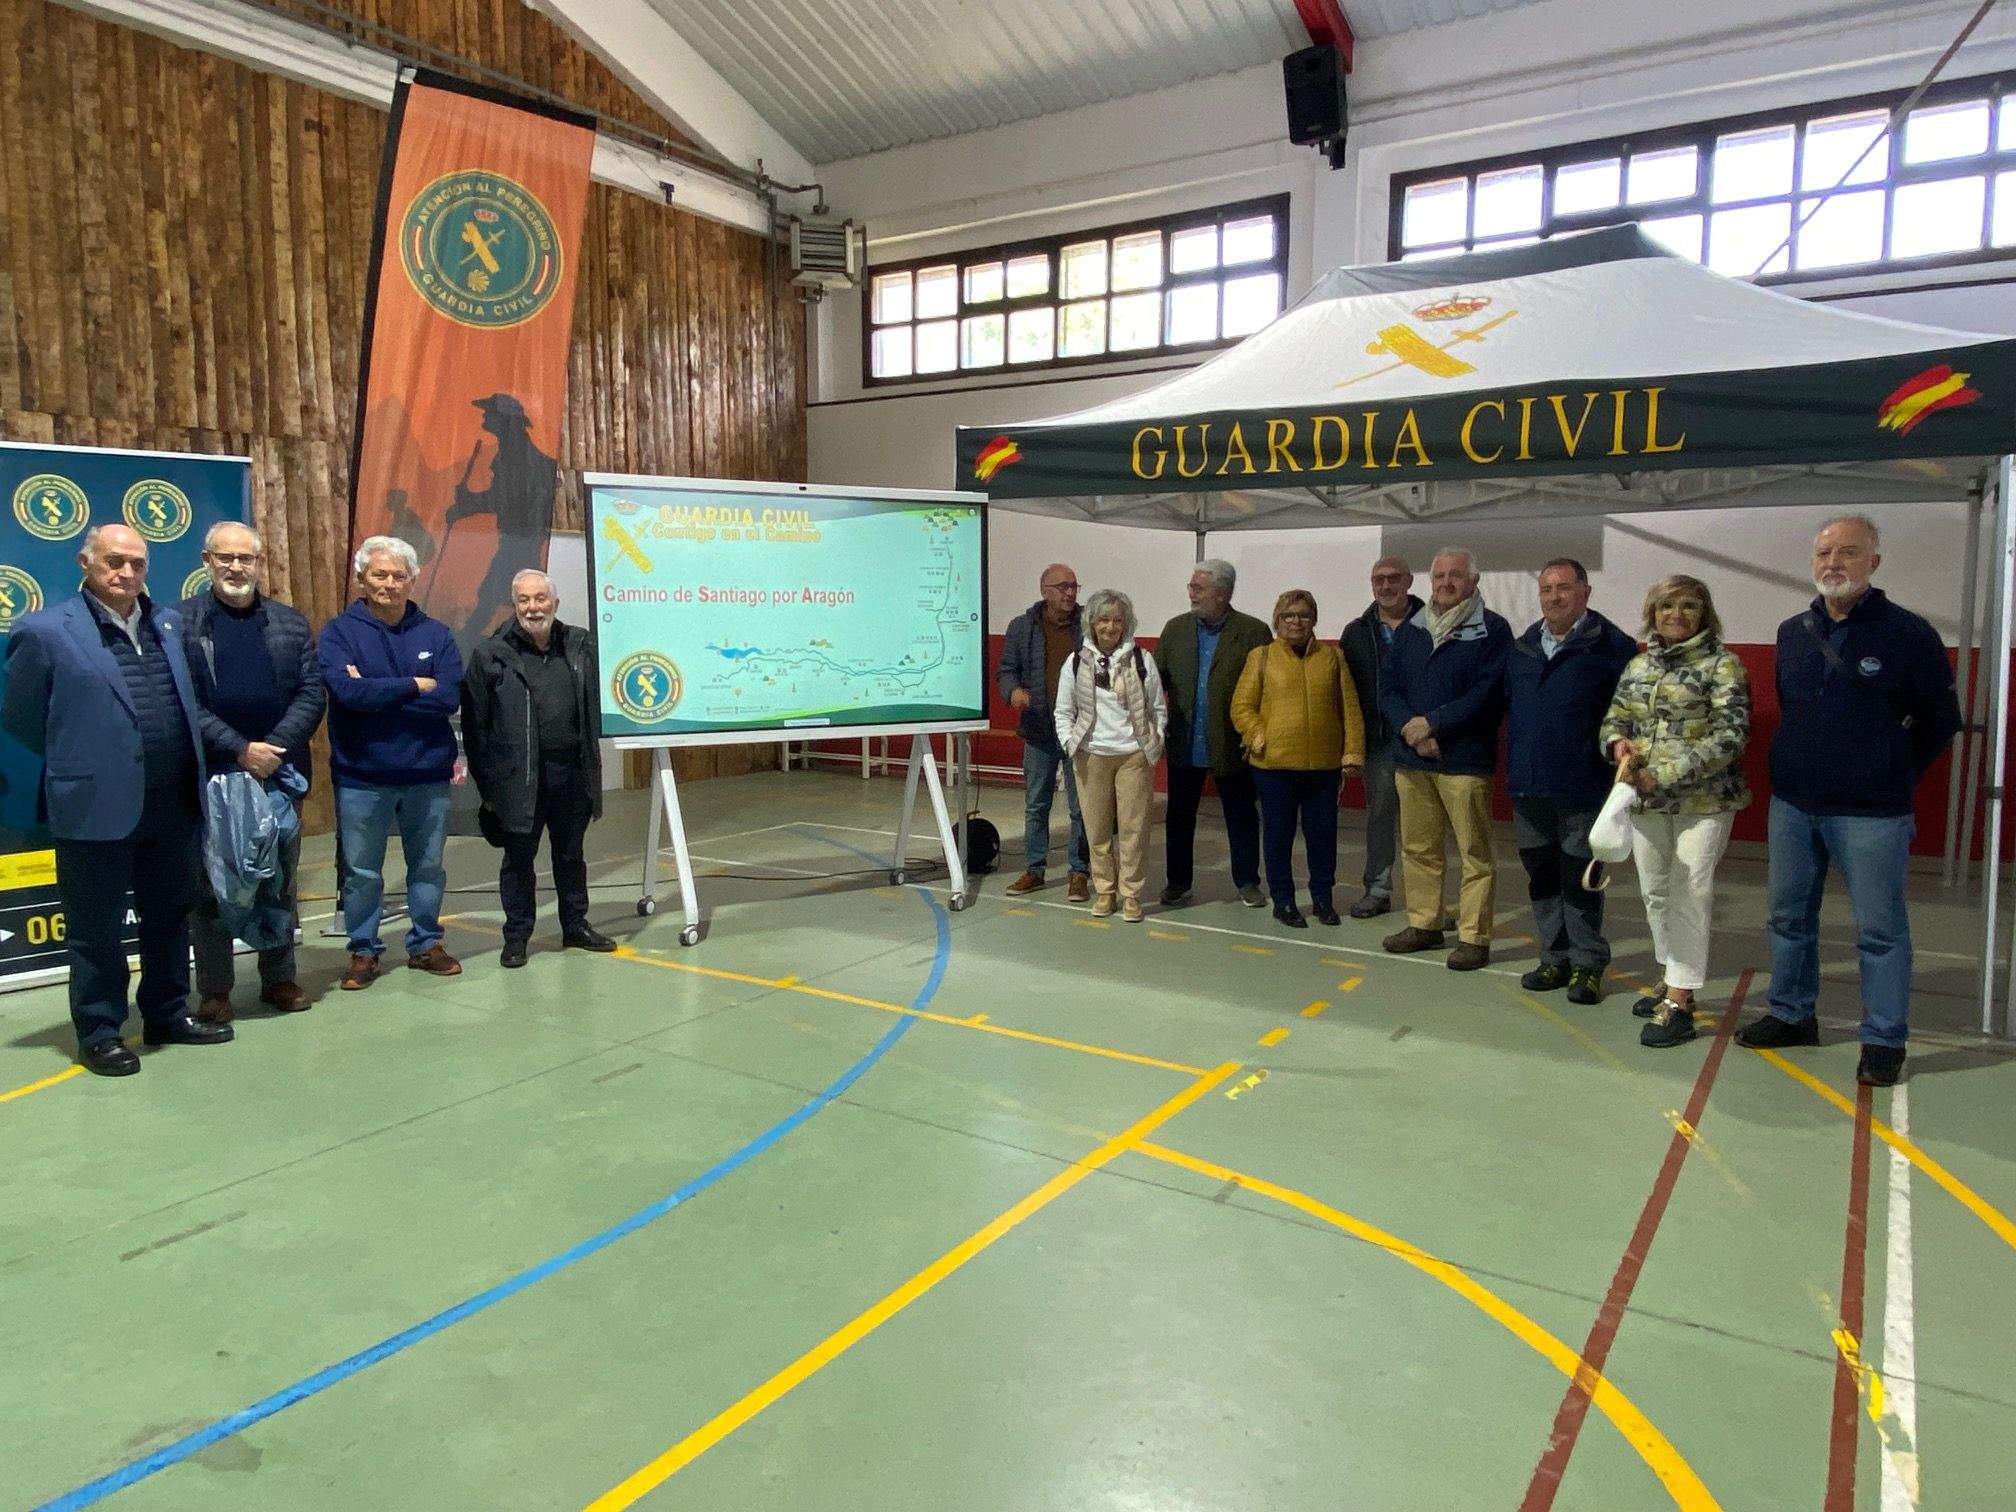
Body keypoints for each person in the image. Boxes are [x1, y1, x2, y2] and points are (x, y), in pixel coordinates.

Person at [0, 524, 231, 1075]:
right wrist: (86, 757)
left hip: (173, 802)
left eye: (137, 563)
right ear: (86, 563)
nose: (126, 572)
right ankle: (101, 1031)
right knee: (96, 928)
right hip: (95, 804)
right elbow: (22, 716)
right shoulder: (45, 631)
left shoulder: (168, 624)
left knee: (169, 918)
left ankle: (167, 1013)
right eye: (113, 561)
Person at [1738, 517, 1962, 1085]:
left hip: (1871, 812)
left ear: (1874, 563)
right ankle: (1791, 1014)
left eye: (1848, 552)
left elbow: (1940, 719)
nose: (1833, 562)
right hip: (1793, 804)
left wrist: (1889, 768)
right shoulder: (1792, 631)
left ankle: (1884, 1038)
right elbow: (1793, 707)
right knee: (1788, 917)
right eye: (1823, 553)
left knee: (1879, 930)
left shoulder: (1909, 634)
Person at [179, 522, 326, 1023]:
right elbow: (183, 703)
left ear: (259, 563)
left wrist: (274, 749)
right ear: (206, 560)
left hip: (278, 777)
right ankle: (216, 989)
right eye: (226, 558)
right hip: (213, 777)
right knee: (213, 886)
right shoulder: (179, 624)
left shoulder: (288, 623)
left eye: (246, 558)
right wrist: (240, 749)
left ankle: (279, 979)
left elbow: (311, 692)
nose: (236, 568)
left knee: (278, 880)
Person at [1600, 576, 1750, 1047]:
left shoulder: (1723, 667)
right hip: (1645, 801)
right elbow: (1615, 716)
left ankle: (1681, 997)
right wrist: (1616, 742)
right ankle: (1671, 975)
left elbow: (1730, 736)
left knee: (1690, 893)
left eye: (1688, 606)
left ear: (1704, 613)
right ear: (1653, 613)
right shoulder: (1638, 665)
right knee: (1656, 893)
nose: (1677, 615)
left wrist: (1662, 774)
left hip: (1703, 803)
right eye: (1667, 606)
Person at [319, 536, 465, 989]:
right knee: (362, 871)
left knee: (428, 866)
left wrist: (378, 690)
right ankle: (363, 950)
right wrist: (413, 685)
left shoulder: (436, 634)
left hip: (427, 776)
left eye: (398, 575)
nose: (389, 583)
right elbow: (346, 694)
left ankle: (425, 943)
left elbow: (448, 697)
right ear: (362, 578)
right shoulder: (339, 632)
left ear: (412, 579)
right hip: (362, 776)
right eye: (379, 574)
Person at [461, 569, 616, 967]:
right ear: (514, 606)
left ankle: (575, 926)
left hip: (572, 774)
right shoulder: (490, 655)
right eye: (524, 600)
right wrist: (490, 792)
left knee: (570, 855)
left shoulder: (581, 646)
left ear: (555, 603)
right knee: (518, 861)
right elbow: (476, 729)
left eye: (540, 599)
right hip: (518, 782)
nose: (533, 608)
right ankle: (516, 938)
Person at [1505, 559, 1637, 1004]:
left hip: (1582, 786)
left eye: (1563, 587)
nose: (1554, 596)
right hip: (1528, 786)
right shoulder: (1522, 647)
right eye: (1546, 589)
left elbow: (1628, 713)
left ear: (1585, 592)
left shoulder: (1613, 647)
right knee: (1541, 876)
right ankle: (1553, 957)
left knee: (1579, 878)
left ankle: (1586, 964)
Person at [1379, 547, 1511, 970]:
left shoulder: (1494, 630)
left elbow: (1488, 694)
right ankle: (1425, 924)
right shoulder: (1412, 628)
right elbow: (1388, 687)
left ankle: (1474, 937)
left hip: (1465, 761)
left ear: (1473, 581)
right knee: (1418, 847)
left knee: (1474, 853)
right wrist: (1412, 730)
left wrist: (1434, 724)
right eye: (1439, 576)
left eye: (1456, 576)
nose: (1446, 583)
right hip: (1412, 758)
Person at [1230, 589, 1366, 929]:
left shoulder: (1333, 659)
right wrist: (1258, 734)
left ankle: (1323, 898)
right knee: (1278, 837)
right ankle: (1284, 901)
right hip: (1273, 768)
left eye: (1304, 615)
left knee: (1323, 837)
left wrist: (1352, 751)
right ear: (1277, 620)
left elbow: (1349, 708)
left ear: (1314, 619)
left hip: (1324, 768)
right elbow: (1241, 706)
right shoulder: (1260, 657)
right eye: (1289, 615)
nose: (1296, 621)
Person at [1154, 559, 1272, 908]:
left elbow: (1266, 690)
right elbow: (1153, 681)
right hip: (1184, 742)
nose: (1191, 593)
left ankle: (1248, 882)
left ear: (1223, 593)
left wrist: (1257, 735)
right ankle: (1178, 882)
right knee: (1178, 816)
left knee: (1241, 816)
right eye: (1191, 586)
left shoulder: (1254, 632)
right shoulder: (1174, 629)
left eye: (1198, 588)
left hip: (1232, 744)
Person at [1054, 589, 1167, 922]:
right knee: (1097, 829)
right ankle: (1105, 891)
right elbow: (1063, 710)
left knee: (1134, 829)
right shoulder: (1075, 662)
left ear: (1126, 623)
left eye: (1117, 620)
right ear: (1092, 622)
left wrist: (1153, 740)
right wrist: (1069, 743)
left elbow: (1158, 707)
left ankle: (1130, 894)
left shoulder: (1142, 661)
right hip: (1091, 757)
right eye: (1104, 619)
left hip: (1133, 755)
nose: (1110, 627)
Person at [996, 563, 1090, 900]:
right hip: (1037, 730)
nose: (1069, 592)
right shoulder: (1022, 628)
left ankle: (1079, 872)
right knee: (1036, 804)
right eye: (1062, 586)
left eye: (1074, 586)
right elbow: (1006, 671)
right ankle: (1034, 869)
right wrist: (1013, 693)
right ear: (1044, 591)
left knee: (1081, 809)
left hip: (1079, 732)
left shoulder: (1088, 625)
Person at [1340, 556, 1422, 919]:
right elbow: (1347, 693)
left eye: (1393, 579)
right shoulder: (1356, 632)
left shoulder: (1433, 625)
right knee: (1380, 820)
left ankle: (1426, 898)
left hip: (1425, 741)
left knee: (1426, 823)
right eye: (1378, 580)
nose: (1386, 586)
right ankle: (1377, 889)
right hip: (1379, 743)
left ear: (1409, 582)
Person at [446, 393, 560, 643]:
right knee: (502, 590)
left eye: (490, 414)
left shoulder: (517, 456)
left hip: (521, 538)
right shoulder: (510, 451)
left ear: (503, 420)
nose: (485, 417)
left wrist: (467, 505)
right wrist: (467, 503)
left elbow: (505, 498)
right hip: (518, 537)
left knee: (499, 589)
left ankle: (471, 636)